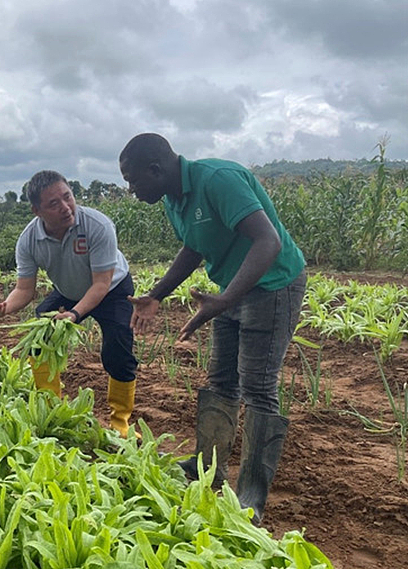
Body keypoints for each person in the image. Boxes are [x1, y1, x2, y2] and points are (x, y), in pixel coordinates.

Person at [119, 133, 306, 524]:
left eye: (133, 180)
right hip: (230, 291)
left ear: (156, 170)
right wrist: (157, 294)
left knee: (257, 387)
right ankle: (208, 468)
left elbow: (267, 240)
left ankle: (251, 498)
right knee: (221, 380)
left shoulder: (217, 179)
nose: (130, 189)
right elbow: (194, 246)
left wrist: (226, 300)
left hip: (273, 285)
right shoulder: (174, 199)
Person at [0, 170, 139, 438]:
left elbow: (100, 284)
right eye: (54, 204)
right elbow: (24, 289)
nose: (66, 208)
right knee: (40, 337)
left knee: (118, 348)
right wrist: (5, 307)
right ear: (36, 210)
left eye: (68, 197)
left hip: (112, 289)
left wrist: (75, 314)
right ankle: (50, 410)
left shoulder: (98, 226)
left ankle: (120, 424)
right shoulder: (29, 240)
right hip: (68, 290)